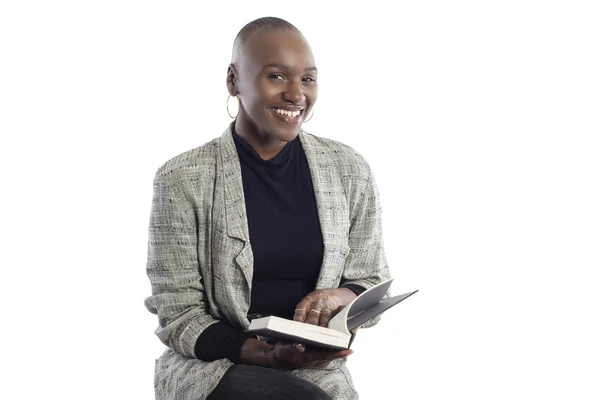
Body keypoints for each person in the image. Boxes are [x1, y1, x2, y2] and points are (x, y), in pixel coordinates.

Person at [144, 16, 391, 400]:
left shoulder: (347, 169)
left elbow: (371, 279)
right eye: (277, 76)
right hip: (213, 367)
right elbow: (179, 315)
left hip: (317, 370)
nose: (296, 95)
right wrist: (263, 354)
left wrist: (337, 298)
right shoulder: (182, 178)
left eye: (307, 79)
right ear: (233, 81)